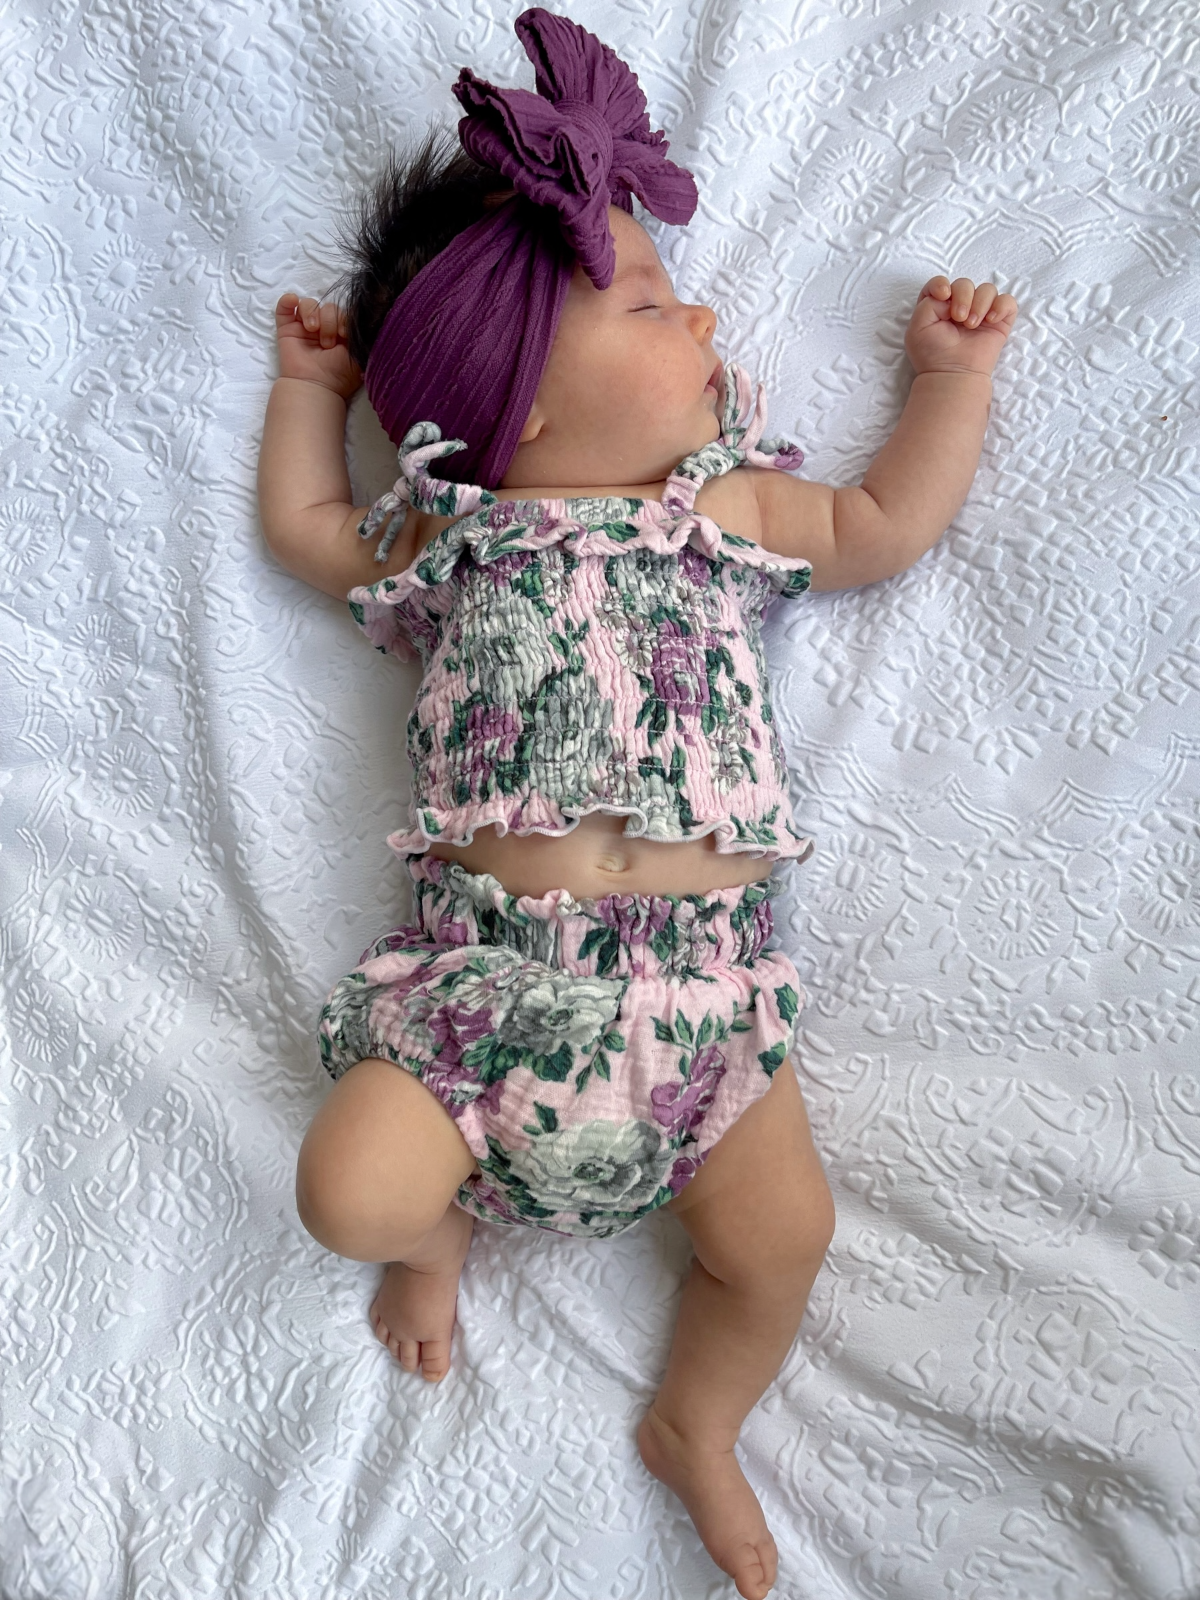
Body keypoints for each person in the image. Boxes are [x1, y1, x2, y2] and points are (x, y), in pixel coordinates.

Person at [256, 11, 1018, 1596]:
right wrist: (309, 392)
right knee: (347, 1190)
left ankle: (699, 1418)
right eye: (661, 301)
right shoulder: (446, 539)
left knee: (781, 1236)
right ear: (519, 405)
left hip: (706, 1013)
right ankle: (433, 1235)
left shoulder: (721, 510)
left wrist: (948, 383)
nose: (710, 316)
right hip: (485, 1007)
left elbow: (883, 523)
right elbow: (310, 534)